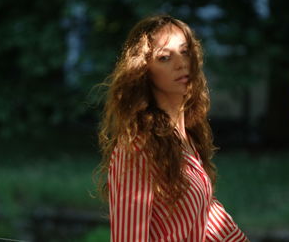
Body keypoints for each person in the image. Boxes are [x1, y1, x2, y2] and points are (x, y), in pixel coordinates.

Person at [97, 15, 250, 242]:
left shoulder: (184, 138)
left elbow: (209, 217)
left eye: (185, 51)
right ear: (143, 70)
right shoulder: (137, 148)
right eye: (165, 57)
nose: (181, 63)